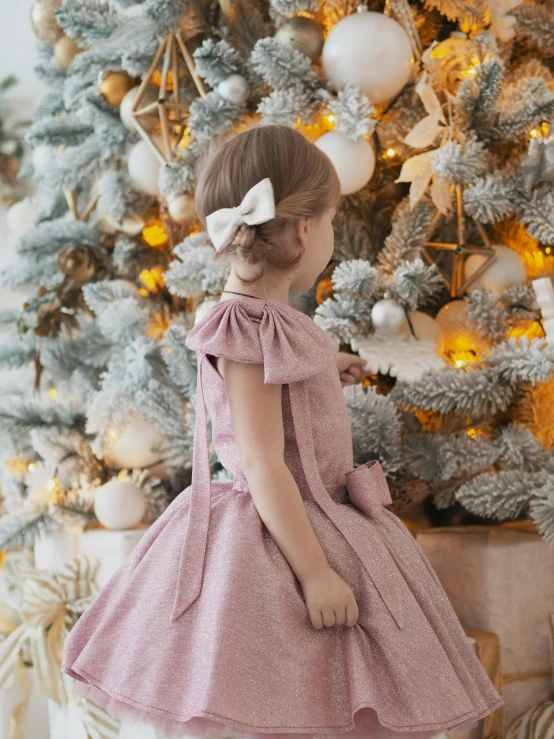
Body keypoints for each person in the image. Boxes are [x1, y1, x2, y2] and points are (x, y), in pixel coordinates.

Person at [62, 124, 503, 739]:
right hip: (282, 529)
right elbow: (263, 461)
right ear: (300, 229)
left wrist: (325, 368)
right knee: (286, 689)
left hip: (314, 509)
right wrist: (316, 571)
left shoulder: (266, 318)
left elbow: (279, 393)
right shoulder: (245, 327)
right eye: (327, 222)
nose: (327, 238)